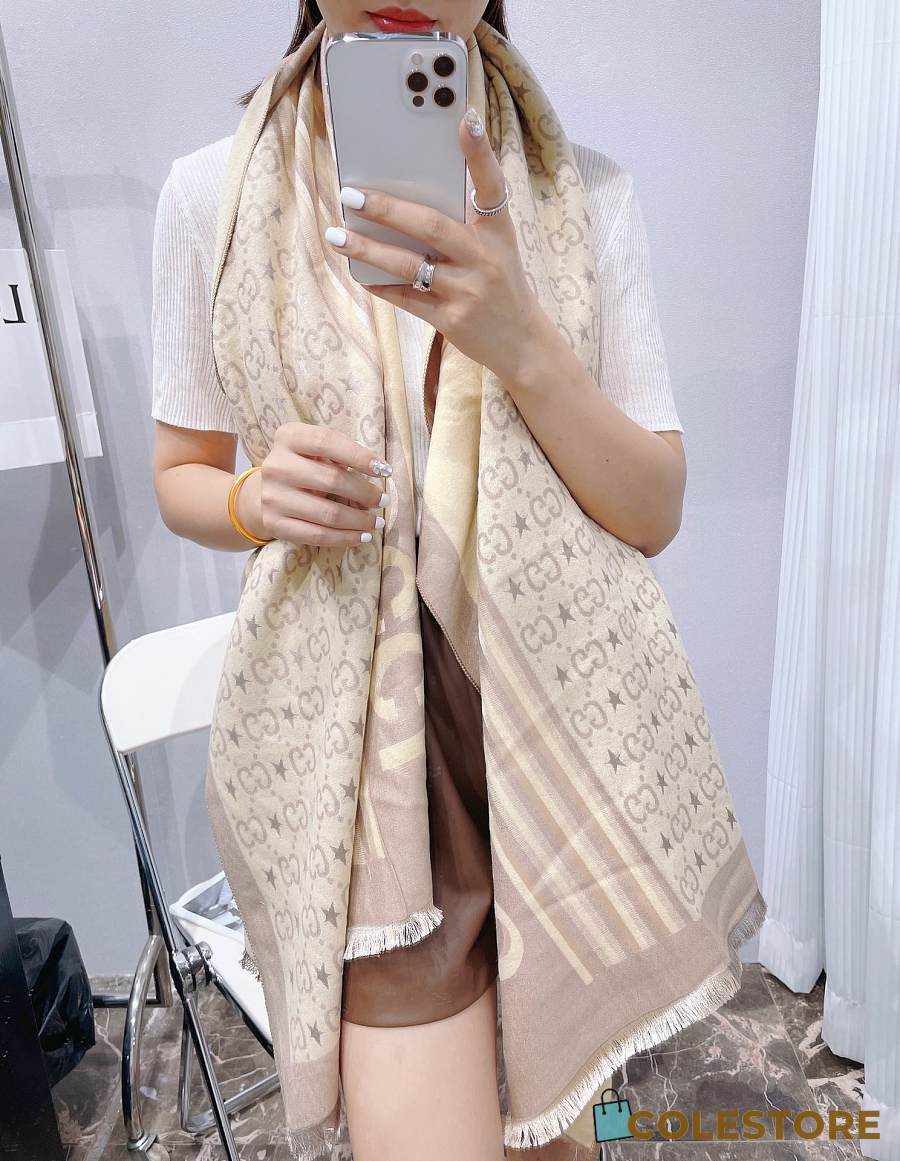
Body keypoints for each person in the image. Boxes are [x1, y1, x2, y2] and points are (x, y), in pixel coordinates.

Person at [151, 3, 687, 1158]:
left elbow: (652, 510)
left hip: (560, 721)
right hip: (365, 758)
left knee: (570, 1134)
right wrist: (253, 501)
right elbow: (180, 475)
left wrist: (520, 336)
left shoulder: (585, 194)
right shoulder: (214, 197)